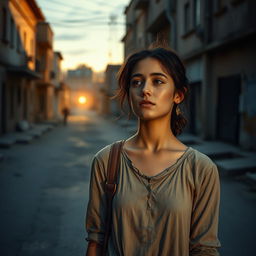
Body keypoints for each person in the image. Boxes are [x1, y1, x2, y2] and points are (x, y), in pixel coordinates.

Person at [85, 47, 221, 256]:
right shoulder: (106, 161)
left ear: (178, 94)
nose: (145, 90)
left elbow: (204, 248)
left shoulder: (201, 168)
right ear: (129, 93)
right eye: (136, 82)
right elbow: (96, 241)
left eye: (157, 81)